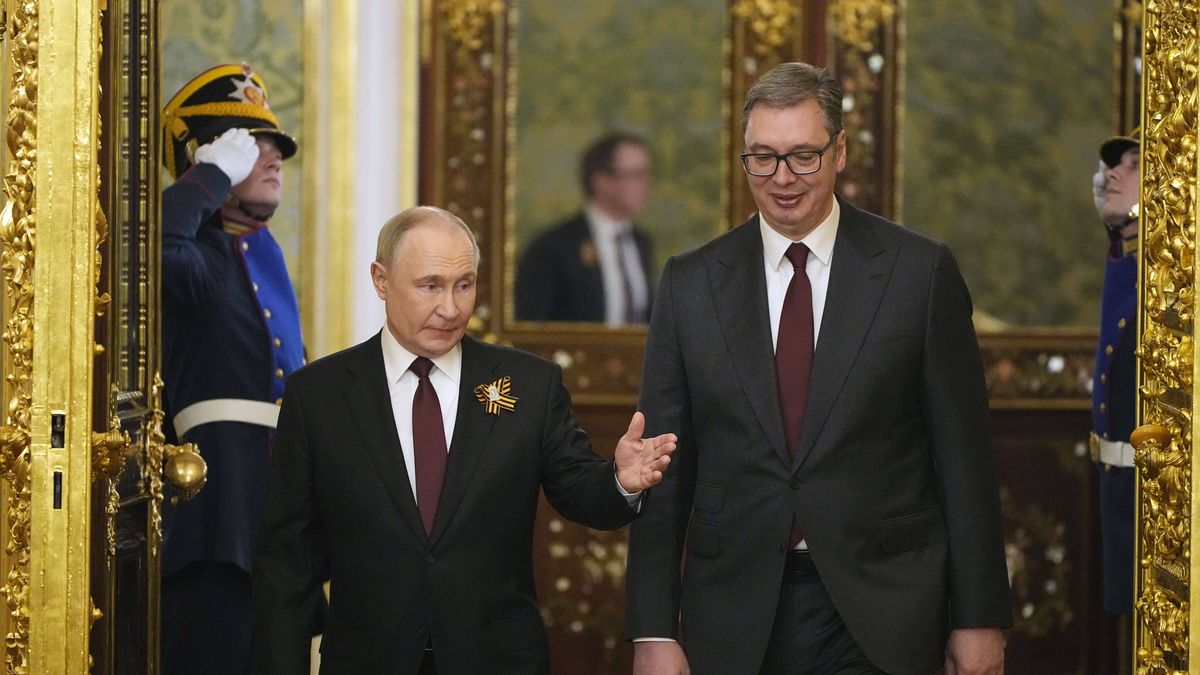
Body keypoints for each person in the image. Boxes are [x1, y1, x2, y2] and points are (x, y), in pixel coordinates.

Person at [624, 62, 1012, 675]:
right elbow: (661, 467)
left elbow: (964, 460)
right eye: (763, 157)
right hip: (736, 608)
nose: (782, 178)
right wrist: (651, 629)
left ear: (840, 153)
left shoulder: (919, 273)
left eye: (803, 156)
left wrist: (979, 616)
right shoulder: (691, 283)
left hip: (885, 607)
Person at [253, 206, 678, 674]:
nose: (451, 308)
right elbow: (287, 566)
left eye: (465, 285)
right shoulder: (319, 395)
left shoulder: (529, 384)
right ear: (381, 279)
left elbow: (580, 491)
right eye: (430, 285)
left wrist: (620, 480)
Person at [158, 62, 309, 674]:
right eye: (250, 147)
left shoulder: (261, 251)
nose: (272, 158)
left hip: (275, 506)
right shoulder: (198, 258)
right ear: (207, 158)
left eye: (276, 147)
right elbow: (155, 248)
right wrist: (209, 177)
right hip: (216, 510)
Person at [515, 133, 656, 324]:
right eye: (636, 175)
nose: (647, 185)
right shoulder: (554, 247)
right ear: (601, 181)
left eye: (647, 174)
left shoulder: (640, 242)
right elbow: (532, 323)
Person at [1089, 129, 1140, 617]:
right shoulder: (1130, 260)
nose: (1111, 174)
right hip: (1124, 497)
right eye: (1111, 164)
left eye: (1132, 163)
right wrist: (1121, 229)